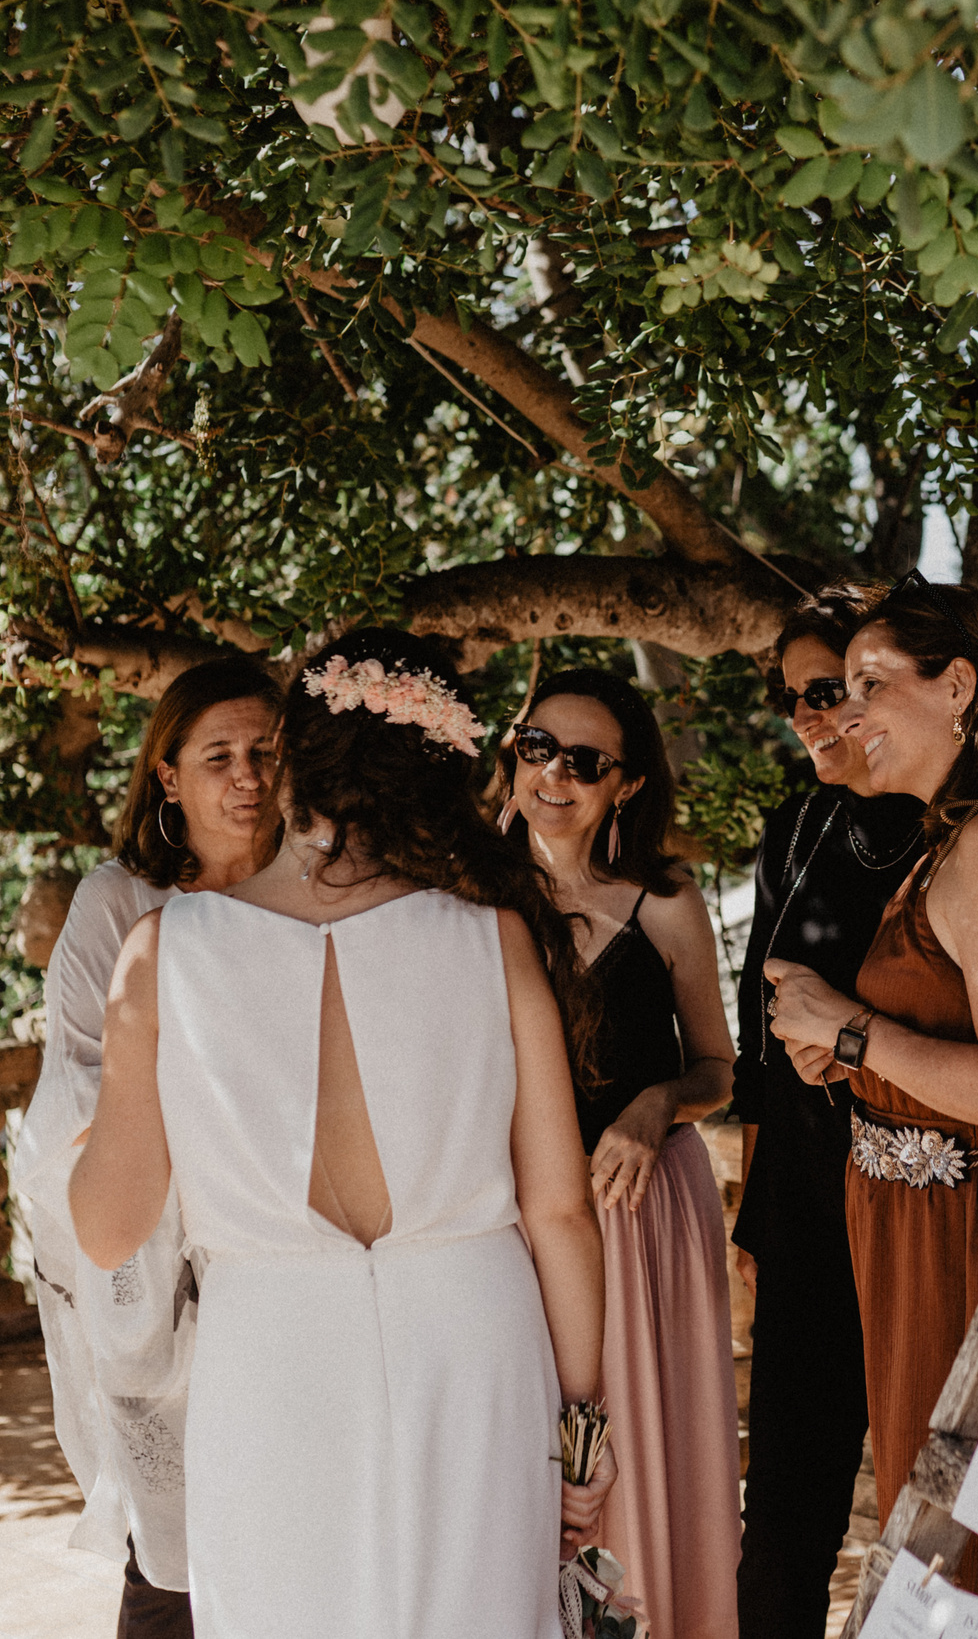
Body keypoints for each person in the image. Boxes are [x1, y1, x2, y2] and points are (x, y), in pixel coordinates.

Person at [69, 628, 613, 1638]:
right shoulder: (492, 935)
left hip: (273, 1350)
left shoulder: (160, 956)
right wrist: (583, 1430)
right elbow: (561, 1211)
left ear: (293, 766)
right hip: (473, 1338)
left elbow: (105, 1230)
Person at [764, 575, 978, 1608]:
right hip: (915, 1235)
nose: (849, 710)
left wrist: (853, 1030)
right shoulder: (948, 841)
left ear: (957, 686)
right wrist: (846, 1049)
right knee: (943, 1546)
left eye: (871, 682)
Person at [12, 653, 283, 1635]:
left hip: (292, 1253)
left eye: (266, 750)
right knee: (171, 1554)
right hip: (160, 1261)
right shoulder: (120, 902)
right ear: (166, 772)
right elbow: (79, 1087)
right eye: (219, 755)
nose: (247, 775)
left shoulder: (322, 891)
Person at [499, 666, 742, 1639]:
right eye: (535, 747)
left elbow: (720, 1068)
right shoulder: (463, 897)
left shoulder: (667, 900)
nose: (554, 773)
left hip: (644, 1217)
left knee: (640, 1462)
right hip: (513, 1223)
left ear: (626, 783)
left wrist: (656, 1103)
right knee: (534, 1467)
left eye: (584, 760)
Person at [730, 587, 924, 1636]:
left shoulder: (957, 826)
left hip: (925, 1207)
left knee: (929, 1495)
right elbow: (758, 1039)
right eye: (793, 693)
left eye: (830, 690)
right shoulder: (795, 823)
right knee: (789, 1510)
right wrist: (758, 1211)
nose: (807, 714)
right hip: (806, 1205)